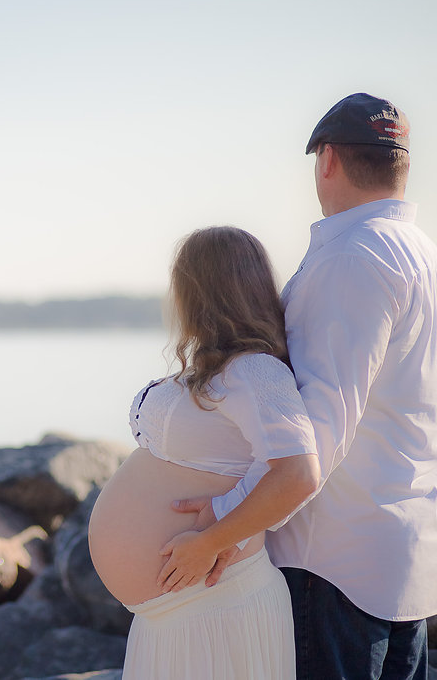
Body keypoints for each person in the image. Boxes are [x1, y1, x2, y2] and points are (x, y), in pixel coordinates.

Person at [168, 93, 437, 679]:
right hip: (405, 558)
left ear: (328, 160)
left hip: (335, 567)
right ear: (402, 165)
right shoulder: (424, 255)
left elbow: (317, 436)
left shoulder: (353, 258)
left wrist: (222, 527)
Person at [88, 225, 320, 679]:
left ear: (197, 291)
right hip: (180, 612)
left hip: (215, 601)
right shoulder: (220, 368)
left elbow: (299, 475)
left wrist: (209, 542)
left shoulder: (255, 371)